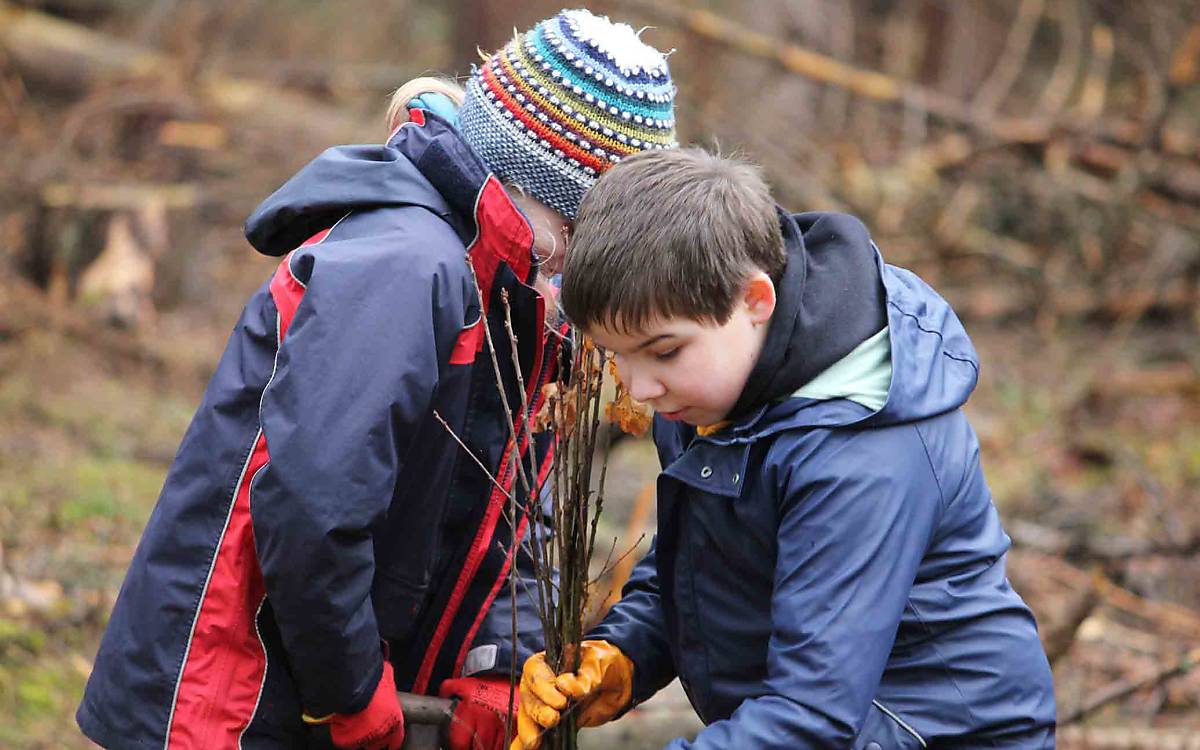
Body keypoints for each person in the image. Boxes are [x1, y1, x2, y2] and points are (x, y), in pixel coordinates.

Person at [75, 9, 677, 750]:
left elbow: (516, 507)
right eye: (582, 237)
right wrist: (350, 686)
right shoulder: (405, 266)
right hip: (237, 696)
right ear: (540, 191)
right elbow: (312, 503)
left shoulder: (515, 295)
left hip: (352, 683)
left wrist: (500, 663)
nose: (580, 273)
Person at [511, 148, 1057, 749]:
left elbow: (811, 714)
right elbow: (705, 563)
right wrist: (620, 654)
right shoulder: (712, 386)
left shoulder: (858, 454)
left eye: (663, 352)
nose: (639, 388)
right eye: (618, 356)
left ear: (754, 300)